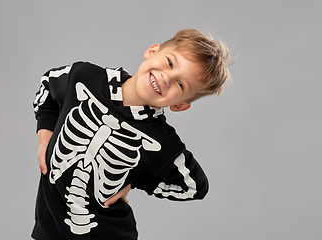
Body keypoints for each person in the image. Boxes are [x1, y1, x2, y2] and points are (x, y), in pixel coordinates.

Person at [32, 29, 230, 240]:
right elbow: (48, 84)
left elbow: (195, 187)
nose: (166, 77)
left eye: (181, 84)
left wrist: (134, 181)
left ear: (180, 105)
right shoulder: (83, 77)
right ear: (153, 50)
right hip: (48, 228)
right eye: (170, 63)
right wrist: (45, 135)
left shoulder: (161, 140)